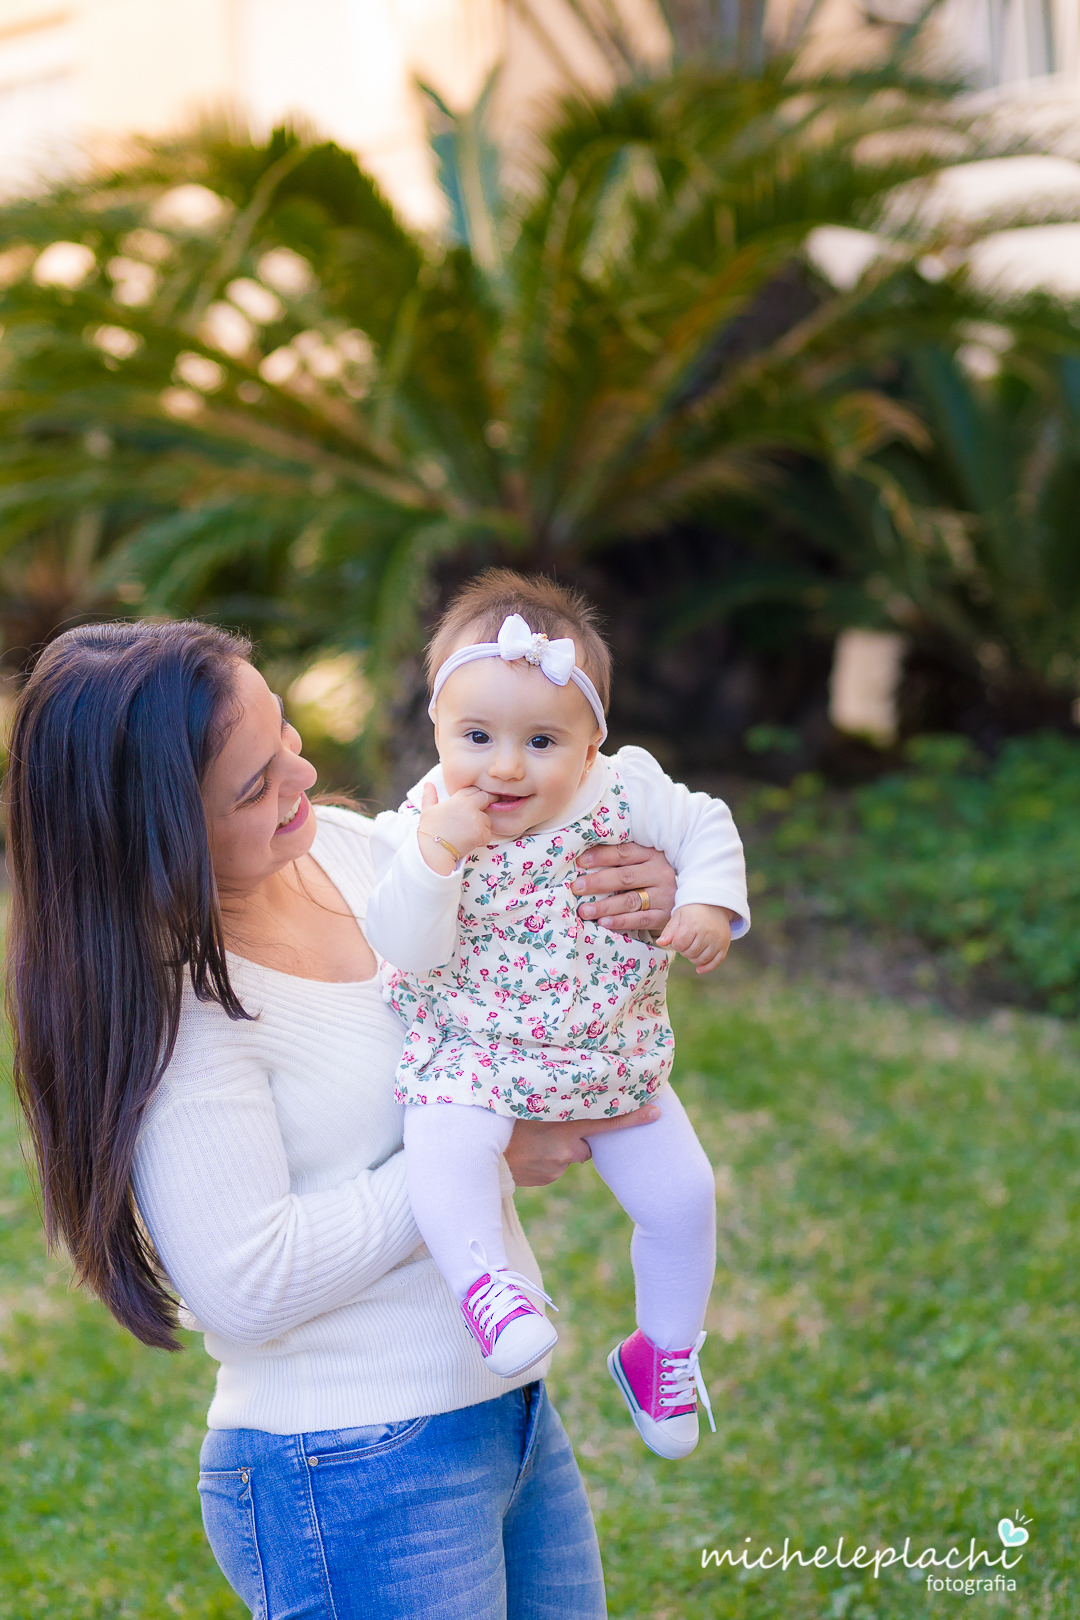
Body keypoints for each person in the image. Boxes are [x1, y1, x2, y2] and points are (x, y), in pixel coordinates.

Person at [4, 617, 684, 1620]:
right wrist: (490, 1152)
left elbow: (540, 922)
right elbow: (247, 1284)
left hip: (505, 1410)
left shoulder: (361, 854)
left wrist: (650, 887)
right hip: (350, 1465)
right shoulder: (180, 1012)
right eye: (255, 786)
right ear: (156, 836)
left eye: (284, 731)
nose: (304, 773)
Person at [365, 571, 749, 1461]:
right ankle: (488, 1291)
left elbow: (707, 824)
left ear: (590, 745)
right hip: (473, 1052)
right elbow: (406, 945)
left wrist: (706, 901)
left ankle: (663, 1352)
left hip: (609, 1052)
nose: (504, 766)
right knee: (445, 1144)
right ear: (436, 727)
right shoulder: (417, 828)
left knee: (684, 1197)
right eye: (476, 737)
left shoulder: (626, 790)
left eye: (540, 741)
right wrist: (435, 859)